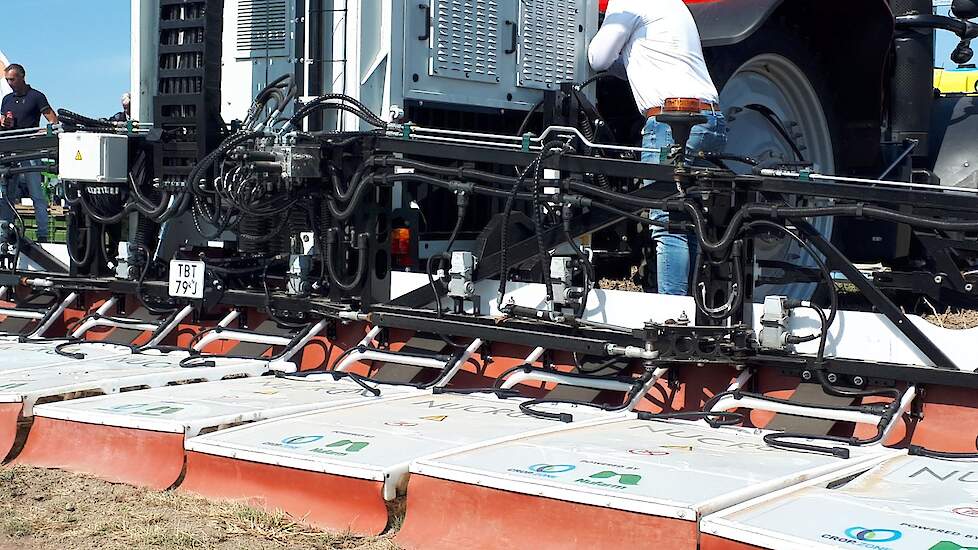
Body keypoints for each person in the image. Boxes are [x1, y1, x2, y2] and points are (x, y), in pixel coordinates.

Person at [588, 0, 726, 296]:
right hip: (710, 119)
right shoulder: (673, 5)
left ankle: (673, 313)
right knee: (687, 219)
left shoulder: (626, 3)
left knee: (668, 223)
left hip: (673, 121)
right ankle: (692, 309)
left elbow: (598, 59)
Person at [0, 63, 58, 242]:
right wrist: (4, 122)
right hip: (10, 152)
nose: (10, 83)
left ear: (22, 77)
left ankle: (42, 235)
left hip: (29, 152)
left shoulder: (36, 97)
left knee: (36, 194)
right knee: (7, 196)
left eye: (12, 79)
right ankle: (5, 232)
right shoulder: (7, 99)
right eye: (7, 80)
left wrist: (44, 131)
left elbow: (53, 118)